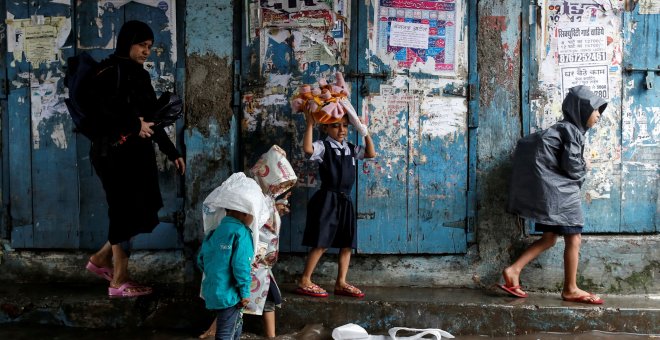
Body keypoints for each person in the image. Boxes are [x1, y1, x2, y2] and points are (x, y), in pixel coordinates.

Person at [84, 20, 185, 297]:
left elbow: (151, 117)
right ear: (127, 42)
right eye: (142, 45)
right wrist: (132, 124)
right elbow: (99, 110)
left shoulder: (139, 74)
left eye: (150, 46)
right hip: (112, 154)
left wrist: (171, 151)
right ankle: (118, 281)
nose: (146, 51)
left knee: (139, 210)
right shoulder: (107, 72)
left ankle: (100, 259)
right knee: (122, 211)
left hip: (134, 155)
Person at [499, 85, 607, 305]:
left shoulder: (561, 128)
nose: (598, 116)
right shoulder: (573, 132)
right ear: (581, 110)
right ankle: (570, 289)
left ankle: (513, 270)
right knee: (574, 238)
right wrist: (585, 166)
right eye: (596, 110)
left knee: (549, 238)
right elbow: (572, 167)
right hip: (563, 196)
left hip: (551, 195)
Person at [199, 145, 297, 339]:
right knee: (240, 303)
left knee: (254, 300)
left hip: (261, 261)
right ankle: (265, 335)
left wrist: (278, 209)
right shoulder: (249, 198)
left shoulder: (263, 198)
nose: (278, 188)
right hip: (253, 260)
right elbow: (251, 236)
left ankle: (269, 335)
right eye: (277, 183)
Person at [296, 112, 376, 298]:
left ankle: (341, 282)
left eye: (345, 126)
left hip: (345, 200)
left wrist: (364, 132)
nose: (341, 130)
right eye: (335, 125)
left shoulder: (350, 148)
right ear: (325, 128)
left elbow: (370, 153)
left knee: (346, 243)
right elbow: (308, 149)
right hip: (327, 199)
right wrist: (309, 124)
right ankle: (305, 279)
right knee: (321, 242)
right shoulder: (323, 147)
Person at [198, 209, 255, 340]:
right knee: (226, 333)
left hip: (214, 288)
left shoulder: (215, 231)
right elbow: (241, 265)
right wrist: (245, 291)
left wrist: (216, 275)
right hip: (231, 293)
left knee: (234, 327)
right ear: (245, 213)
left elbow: (201, 259)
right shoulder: (241, 232)